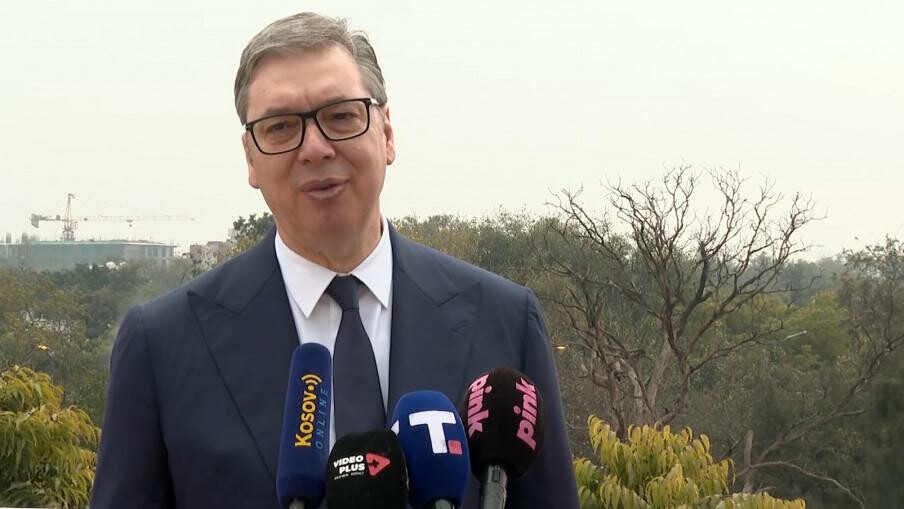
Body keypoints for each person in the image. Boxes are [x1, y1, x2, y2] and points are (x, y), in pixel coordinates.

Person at [91, 12, 579, 508]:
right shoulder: (163, 345)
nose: (315, 148)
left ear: (386, 132)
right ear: (250, 158)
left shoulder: (504, 321)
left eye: (341, 116)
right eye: (280, 127)